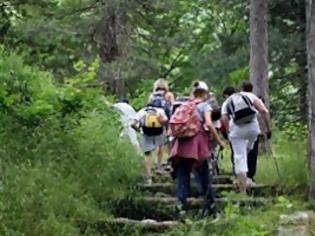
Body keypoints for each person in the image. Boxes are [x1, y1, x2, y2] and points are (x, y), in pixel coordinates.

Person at [170, 81, 225, 217]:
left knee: (183, 176)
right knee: (203, 176)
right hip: (197, 146)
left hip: (182, 146)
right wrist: (220, 141)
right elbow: (209, 124)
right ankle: (210, 208)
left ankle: (181, 207)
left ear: (193, 94)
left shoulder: (184, 105)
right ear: (205, 94)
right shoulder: (204, 106)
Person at [221, 81, 271, 193]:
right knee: (250, 149)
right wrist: (268, 129)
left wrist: (229, 132)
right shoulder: (250, 96)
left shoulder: (227, 101)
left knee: (240, 157)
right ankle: (250, 175)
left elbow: (224, 118)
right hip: (252, 128)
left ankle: (243, 190)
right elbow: (264, 111)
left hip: (237, 129)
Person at [131, 101, 168, 185]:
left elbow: (132, 124)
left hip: (146, 133)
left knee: (147, 154)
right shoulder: (160, 110)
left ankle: (149, 175)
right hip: (159, 132)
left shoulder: (142, 111)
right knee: (160, 147)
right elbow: (165, 120)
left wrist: (139, 130)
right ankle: (159, 167)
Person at [148, 78, 175, 173]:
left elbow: (149, 108)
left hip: (154, 122)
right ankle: (171, 163)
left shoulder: (152, 96)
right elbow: (173, 108)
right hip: (166, 121)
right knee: (170, 143)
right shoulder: (168, 95)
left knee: (158, 144)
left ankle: (158, 165)